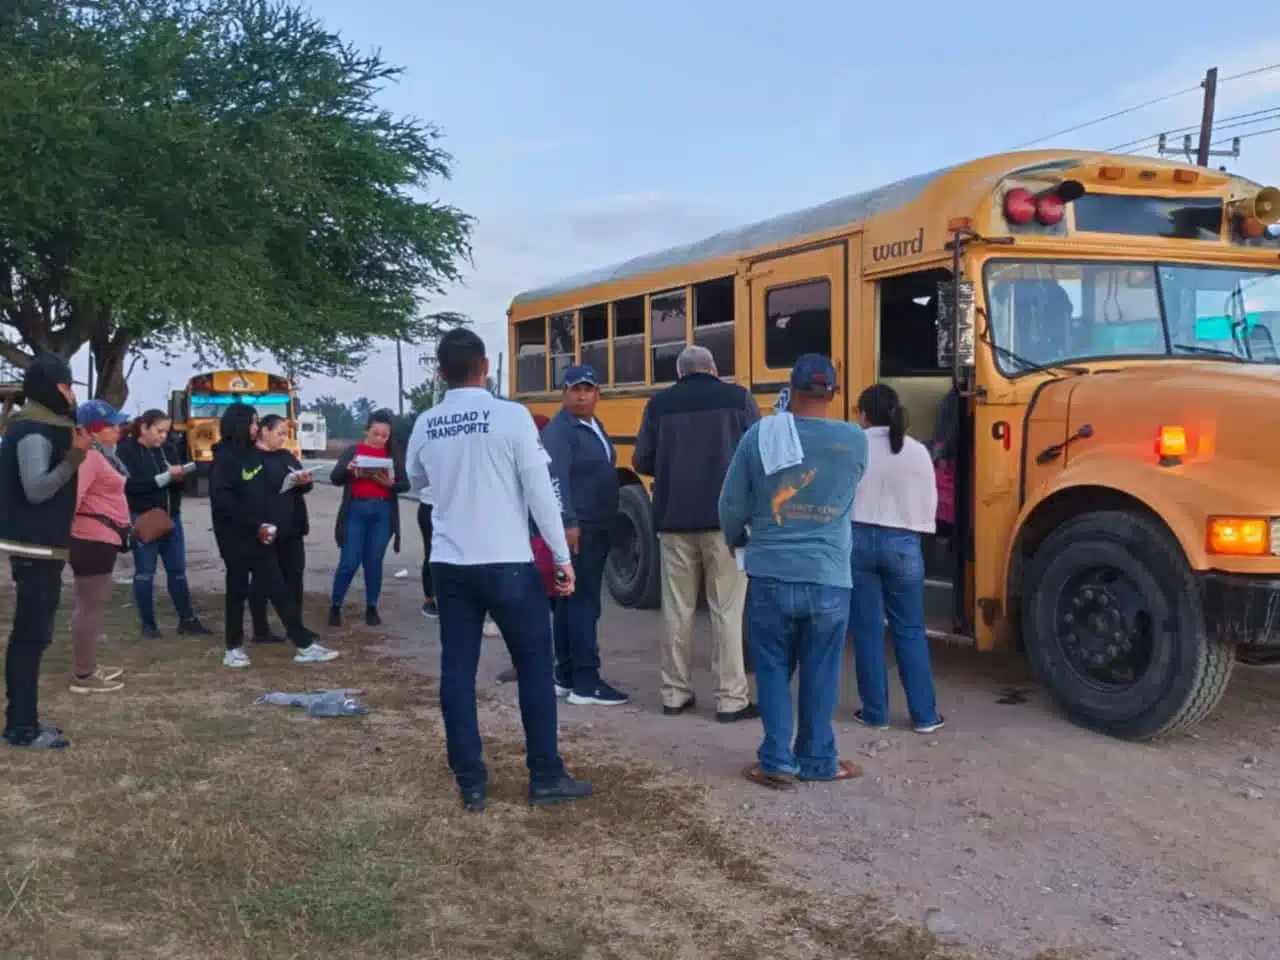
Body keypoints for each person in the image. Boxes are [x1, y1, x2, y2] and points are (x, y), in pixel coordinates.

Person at [407, 327, 591, 812]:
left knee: (457, 670)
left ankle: (470, 779)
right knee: (534, 667)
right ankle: (545, 773)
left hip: (450, 564)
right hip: (509, 562)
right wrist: (562, 559)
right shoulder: (511, 418)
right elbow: (540, 491)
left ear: (441, 372)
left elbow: (416, 478)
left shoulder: (427, 423)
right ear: (486, 368)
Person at [718, 354, 868, 789]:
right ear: (834, 394)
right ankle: (820, 759)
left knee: (771, 666)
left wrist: (735, 537)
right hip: (830, 577)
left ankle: (777, 761)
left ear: (791, 387)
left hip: (771, 572)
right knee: (822, 671)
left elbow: (732, 503)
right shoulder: (854, 441)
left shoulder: (761, 434)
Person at [633, 344, 759, 722]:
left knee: (677, 609)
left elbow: (641, 460)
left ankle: (674, 693)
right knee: (726, 611)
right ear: (715, 369)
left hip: (674, 521)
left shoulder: (659, 405)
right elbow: (757, 453)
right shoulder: (739, 399)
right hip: (727, 524)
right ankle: (730, 699)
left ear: (680, 373)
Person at [0, 355, 90, 749]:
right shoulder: (33, 430)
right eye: (68, 387)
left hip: (44, 548)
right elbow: (37, 489)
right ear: (53, 388)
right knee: (30, 637)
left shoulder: (47, 426)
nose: (72, 396)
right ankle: (22, 727)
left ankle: (24, 720)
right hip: (32, 547)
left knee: (35, 636)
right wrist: (75, 458)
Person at [848, 383, 945, 734]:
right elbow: (928, 503)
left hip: (858, 542)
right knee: (910, 631)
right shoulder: (917, 451)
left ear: (863, 414)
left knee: (867, 630)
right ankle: (924, 716)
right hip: (904, 543)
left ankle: (875, 714)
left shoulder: (854, 447)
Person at [211, 403, 335, 668]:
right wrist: (254, 524)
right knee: (237, 589)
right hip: (235, 536)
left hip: (260, 533)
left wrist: (267, 523)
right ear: (240, 424)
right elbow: (224, 502)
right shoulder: (225, 458)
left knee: (277, 586)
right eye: (253, 423)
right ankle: (233, 647)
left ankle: (303, 643)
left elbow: (261, 494)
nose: (256, 428)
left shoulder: (252, 455)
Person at [540, 364, 627, 706]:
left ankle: (564, 674)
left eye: (588, 388)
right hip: (580, 528)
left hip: (597, 524)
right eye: (575, 389)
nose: (582, 395)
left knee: (568, 602)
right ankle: (586, 683)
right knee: (582, 604)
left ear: (597, 393)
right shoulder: (560, 431)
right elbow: (555, 479)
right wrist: (567, 522)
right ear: (564, 392)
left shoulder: (593, 425)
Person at [117, 409, 211, 638]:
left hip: (171, 516)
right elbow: (129, 486)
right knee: (145, 573)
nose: (162, 437)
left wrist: (180, 478)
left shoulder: (168, 450)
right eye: (158, 431)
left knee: (177, 570)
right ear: (144, 428)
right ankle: (148, 625)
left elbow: (178, 484)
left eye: (166, 432)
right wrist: (163, 479)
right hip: (144, 516)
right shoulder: (126, 451)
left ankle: (187, 619)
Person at [68, 400, 133, 694]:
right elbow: (73, 499)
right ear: (93, 429)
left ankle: (90, 665)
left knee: (92, 604)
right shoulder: (89, 458)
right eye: (111, 425)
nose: (117, 429)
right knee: (88, 606)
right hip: (91, 539)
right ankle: (84, 673)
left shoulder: (102, 456)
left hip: (102, 538)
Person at [328, 411, 409, 627]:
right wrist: (349, 470)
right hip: (356, 509)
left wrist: (391, 484)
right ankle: (335, 605)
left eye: (385, 435)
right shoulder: (353, 451)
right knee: (349, 561)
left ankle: (372, 607)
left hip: (382, 512)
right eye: (376, 434)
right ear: (367, 430)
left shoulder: (393, 454)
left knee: (373, 562)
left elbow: (405, 484)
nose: (380, 439)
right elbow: (335, 478)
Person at [247, 414, 314, 637]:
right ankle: (260, 628)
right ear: (264, 431)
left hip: (293, 527)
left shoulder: (286, 456)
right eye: (280, 433)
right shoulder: (251, 458)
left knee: (295, 576)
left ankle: (295, 626)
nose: (284, 438)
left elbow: (302, 483)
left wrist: (304, 481)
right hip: (267, 528)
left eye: (286, 434)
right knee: (263, 579)